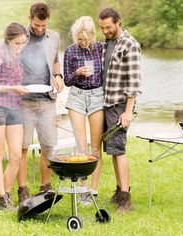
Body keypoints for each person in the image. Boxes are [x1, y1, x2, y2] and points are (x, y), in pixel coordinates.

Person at [0, 2, 64, 206]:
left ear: (49, 21)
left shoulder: (54, 37)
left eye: (43, 26)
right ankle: (22, 189)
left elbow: (55, 60)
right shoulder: (21, 36)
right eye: (37, 25)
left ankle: (45, 187)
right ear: (30, 18)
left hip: (47, 99)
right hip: (21, 101)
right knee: (21, 148)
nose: (40, 29)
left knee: (48, 146)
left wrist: (58, 76)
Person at [98, 8, 141, 213]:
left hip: (119, 105)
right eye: (102, 28)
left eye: (108, 27)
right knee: (113, 151)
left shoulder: (129, 44)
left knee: (119, 151)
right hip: (107, 103)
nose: (105, 31)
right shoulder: (109, 42)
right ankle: (119, 191)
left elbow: (134, 82)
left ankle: (126, 199)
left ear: (118, 23)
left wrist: (127, 112)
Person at [0, 22, 28, 210]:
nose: (20, 47)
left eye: (23, 43)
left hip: (15, 108)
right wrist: (13, 88)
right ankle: (2, 199)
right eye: (17, 43)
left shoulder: (17, 56)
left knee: (17, 155)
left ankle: (8, 193)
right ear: (8, 40)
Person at [63, 16, 104, 205]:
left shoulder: (101, 48)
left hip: (97, 96)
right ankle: (83, 189)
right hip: (77, 97)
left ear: (93, 35)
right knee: (81, 146)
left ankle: (93, 191)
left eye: (86, 39)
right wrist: (76, 73)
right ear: (75, 36)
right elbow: (67, 81)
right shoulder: (70, 51)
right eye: (80, 39)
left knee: (95, 147)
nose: (83, 42)